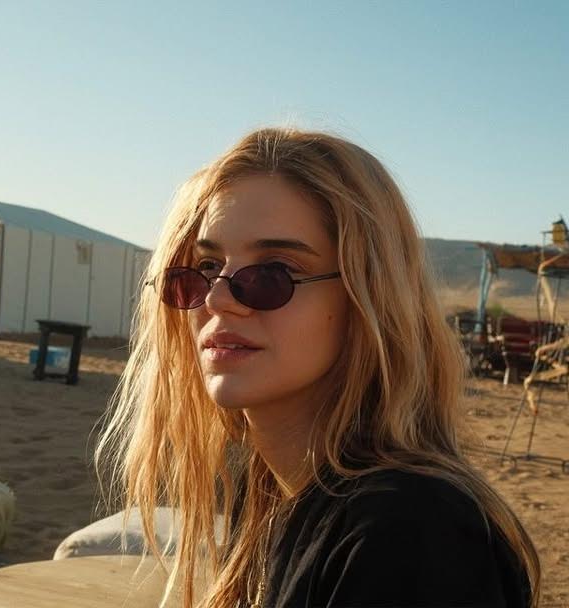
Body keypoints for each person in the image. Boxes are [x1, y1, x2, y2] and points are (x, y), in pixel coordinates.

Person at [97, 127, 540, 607]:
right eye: (206, 267)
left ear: (368, 298)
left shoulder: (410, 535)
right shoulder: (272, 490)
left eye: (276, 272)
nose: (218, 298)